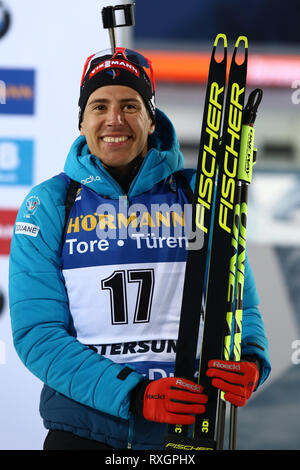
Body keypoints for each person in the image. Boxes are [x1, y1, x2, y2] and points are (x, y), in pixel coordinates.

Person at [9, 47, 271, 451]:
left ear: (151, 120)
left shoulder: (197, 195)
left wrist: (250, 360)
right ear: (82, 121)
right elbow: (37, 334)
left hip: (184, 434)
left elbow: (237, 301)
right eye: (100, 106)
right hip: (82, 433)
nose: (115, 119)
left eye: (130, 105)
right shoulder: (48, 203)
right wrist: (134, 395)